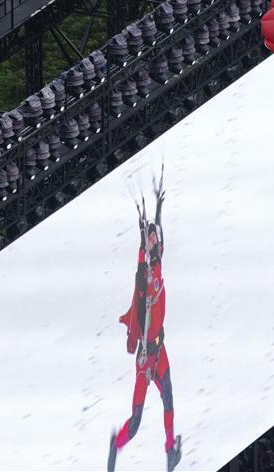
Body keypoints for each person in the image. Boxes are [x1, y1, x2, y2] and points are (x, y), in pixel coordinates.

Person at [109, 172, 182, 472]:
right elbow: (144, 256)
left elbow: (158, 233)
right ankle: (116, 445)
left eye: (155, 238)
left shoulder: (158, 259)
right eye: (151, 238)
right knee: (136, 419)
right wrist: (142, 227)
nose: (154, 240)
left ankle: (169, 450)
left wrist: (158, 205)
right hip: (145, 355)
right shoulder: (144, 270)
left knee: (169, 398)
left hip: (159, 348)